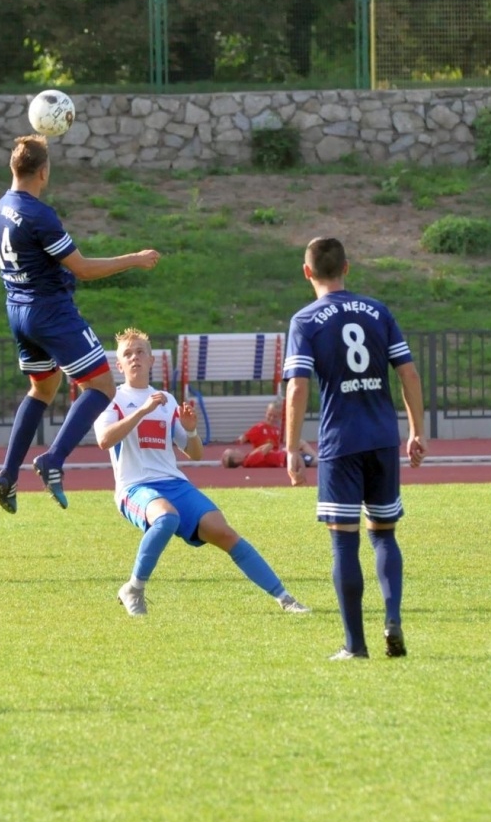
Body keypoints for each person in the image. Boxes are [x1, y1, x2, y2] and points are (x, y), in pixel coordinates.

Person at [0, 134, 159, 512]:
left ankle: (8, 473)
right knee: (101, 386)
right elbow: (82, 268)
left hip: (18, 311)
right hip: (50, 311)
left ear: (13, 167)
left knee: (42, 390)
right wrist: (134, 258)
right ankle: (53, 459)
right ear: (43, 172)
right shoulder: (38, 215)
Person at [96, 328, 309, 616]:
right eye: (128, 354)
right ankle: (134, 588)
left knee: (225, 534)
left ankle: (285, 598)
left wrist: (191, 430)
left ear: (151, 360)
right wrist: (142, 411)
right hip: (135, 487)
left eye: (140, 352)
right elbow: (104, 440)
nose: (135, 357)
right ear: (119, 365)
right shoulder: (112, 399)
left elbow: (194, 453)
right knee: (166, 518)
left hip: (174, 484)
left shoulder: (166, 400)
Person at [283, 237, 425, 661]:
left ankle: (355, 645)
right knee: (383, 534)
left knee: (344, 543)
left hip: (340, 442)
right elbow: (409, 374)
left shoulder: (305, 320)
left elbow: (297, 388)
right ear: (347, 267)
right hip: (382, 437)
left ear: (307, 272)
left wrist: (291, 447)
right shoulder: (378, 311)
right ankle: (392, 619)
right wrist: (416, 432)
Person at [220, 401, 315, 469]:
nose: (237, 450)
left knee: (300, 444)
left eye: (275, 416)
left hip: (280, 455)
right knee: (305, 459)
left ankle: (318, 458)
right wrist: (241, 439)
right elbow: (247, 437)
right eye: (270, 415)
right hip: (282, 459)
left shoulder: (276, 430)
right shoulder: (249, 458)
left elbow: (272, 448)